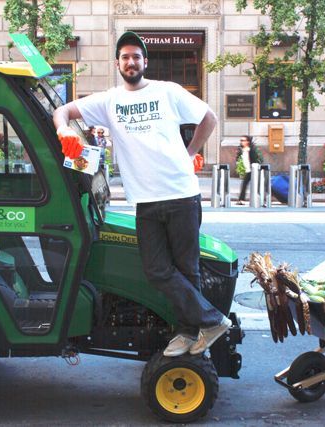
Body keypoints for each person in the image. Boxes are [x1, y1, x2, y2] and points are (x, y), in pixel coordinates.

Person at [53, 31, 230, 357]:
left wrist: (190, 153)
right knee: (157, 270)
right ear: (118, 63)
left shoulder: (168, 92)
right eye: (125, 57)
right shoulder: (109, 100)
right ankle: (212, 321)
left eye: (136, 56)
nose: (131, 62)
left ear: (145, 62)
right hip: (145, 201)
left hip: (181, 194)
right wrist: (63, 129)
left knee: (187, 270)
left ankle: (191, 332)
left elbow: (210, 118)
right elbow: (61, 112)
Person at [236, 136, 259, 205]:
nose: (241, 142)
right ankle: (241, 199)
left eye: (243, 140)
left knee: (246, 184)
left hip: (252, 170)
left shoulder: (251, 150)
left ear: (248, 142)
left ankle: (242, 199)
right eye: (241, 140)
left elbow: (255, 160)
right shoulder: (242, 150)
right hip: (247, 170)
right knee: (245, 184)